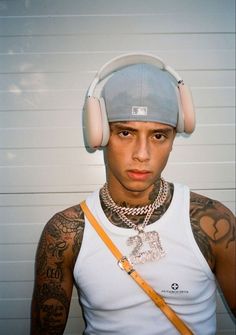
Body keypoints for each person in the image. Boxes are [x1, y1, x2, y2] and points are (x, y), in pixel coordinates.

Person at [31, 54, 235, 335]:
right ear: (100, 135)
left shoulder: (213, 223)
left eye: (158, 136)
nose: (142, 155)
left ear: (174, 138)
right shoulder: (64, 233)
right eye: (125, 133)